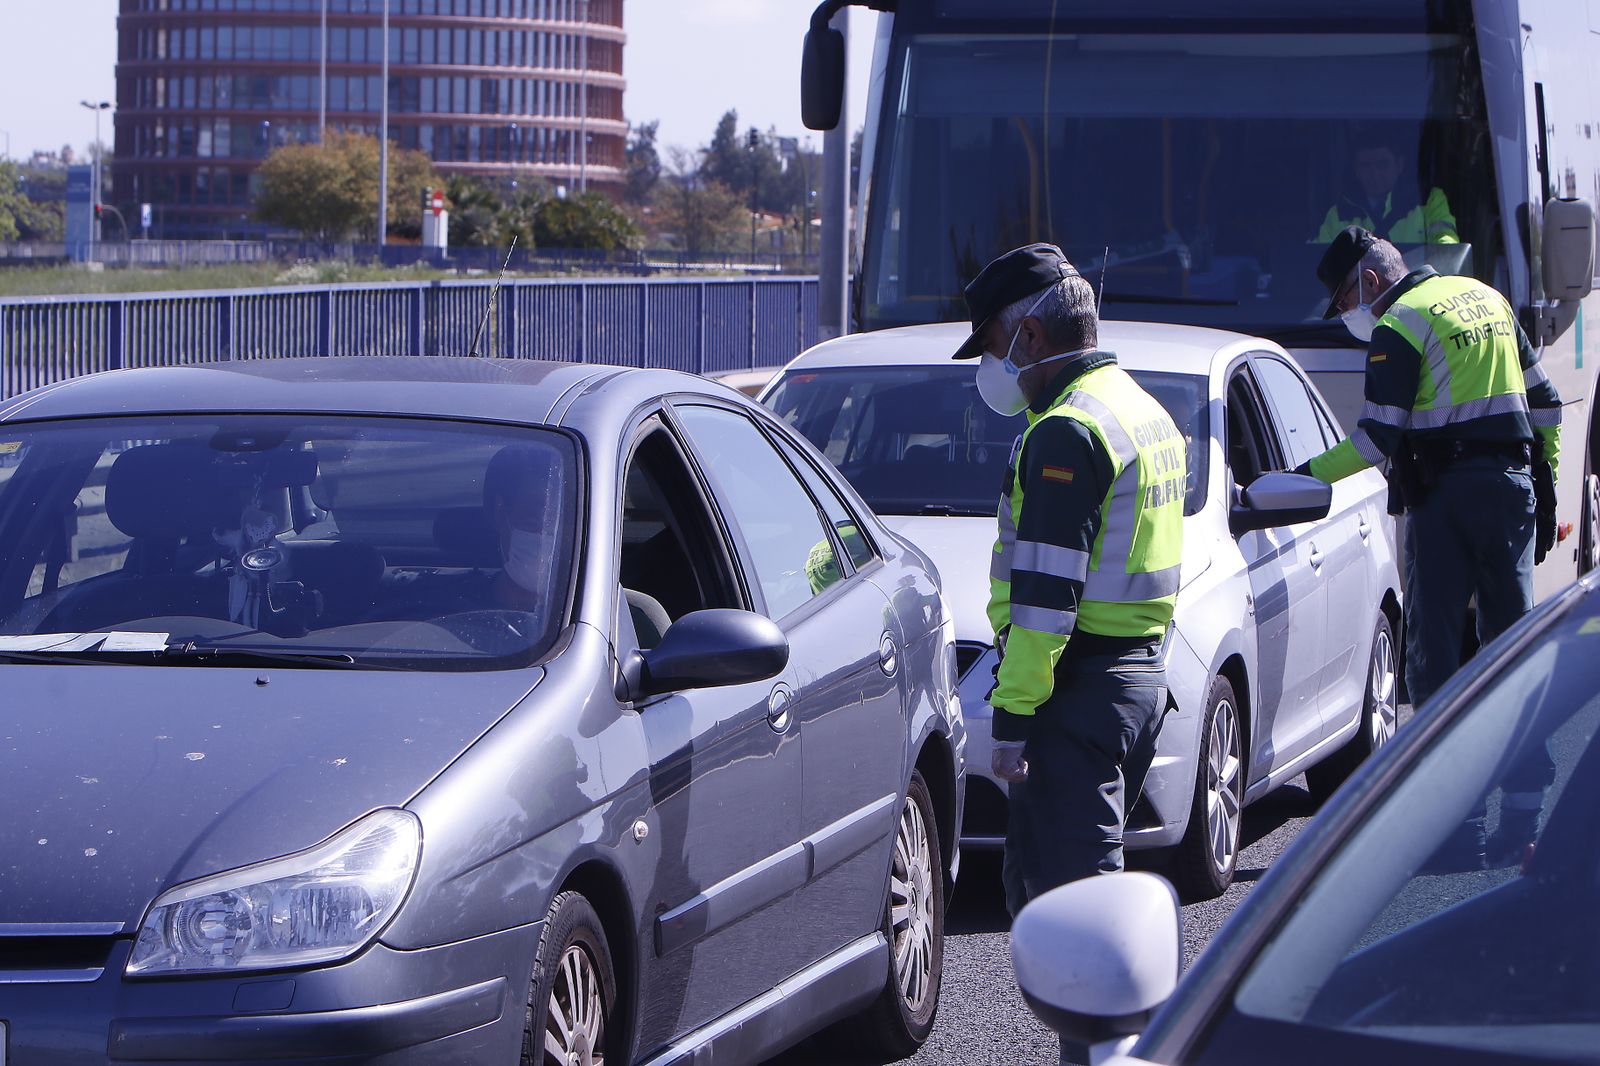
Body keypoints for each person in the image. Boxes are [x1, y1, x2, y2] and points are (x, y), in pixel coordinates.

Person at [1296, 226, 1562, 863]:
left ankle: (1457, 828)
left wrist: (1299, 479)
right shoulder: (1486, 298)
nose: (1347, 317)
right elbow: (1546, 403)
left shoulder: (1401, 323)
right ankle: (1522, 820)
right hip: (1510, 490)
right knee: (1512, 656)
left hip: (1445, 502)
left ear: (1369, 280)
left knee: (1434, 662)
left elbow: (1373, 443)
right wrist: (1541, 479)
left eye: (1343, 301)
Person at [952, 243, 1185, 918]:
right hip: (1132, 680)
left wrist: (1013, 715)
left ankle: (1114, 1028)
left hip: (1075, 695)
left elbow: (1047, 599)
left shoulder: (1068, 431)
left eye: (992, 345)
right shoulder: (1138, 406)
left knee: (1078, 917)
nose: (993, 366)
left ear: (1029, 335)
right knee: (1056, 899)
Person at [1315, 133, 1459, 245]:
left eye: (1382, 164)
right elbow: (1320, 259)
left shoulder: (1428, 199)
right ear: (1356, 170)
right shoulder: (1339, 213)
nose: (1374, 174)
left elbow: (1446, 244)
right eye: (1365, 166)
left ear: (1399, 165)